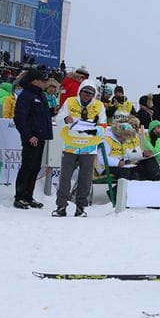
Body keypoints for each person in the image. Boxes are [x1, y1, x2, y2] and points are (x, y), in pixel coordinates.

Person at [53, 79, 107, 217]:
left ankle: (81, 208)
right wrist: (66, 120)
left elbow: (103, 127)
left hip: (88, 149)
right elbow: (58, 119)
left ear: (94, 94)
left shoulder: (99, 106)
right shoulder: (70, 102)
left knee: (85, 180)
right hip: (70, 147)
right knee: (65, 178)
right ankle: (61, 207)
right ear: (80, 91)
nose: (86, 95)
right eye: (84, 92)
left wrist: (92, 130)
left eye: (90, 93)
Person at [12, 69, 52, 209]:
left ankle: (29, 196)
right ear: (35, 81)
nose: (45, 83)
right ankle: (19, 197)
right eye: (43, 80)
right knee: (27, 166)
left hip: (40, 137)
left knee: (35, 167)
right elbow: (20, 118)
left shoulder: (40, 95)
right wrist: (28, 135)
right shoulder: (26, 95)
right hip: (31, 138)